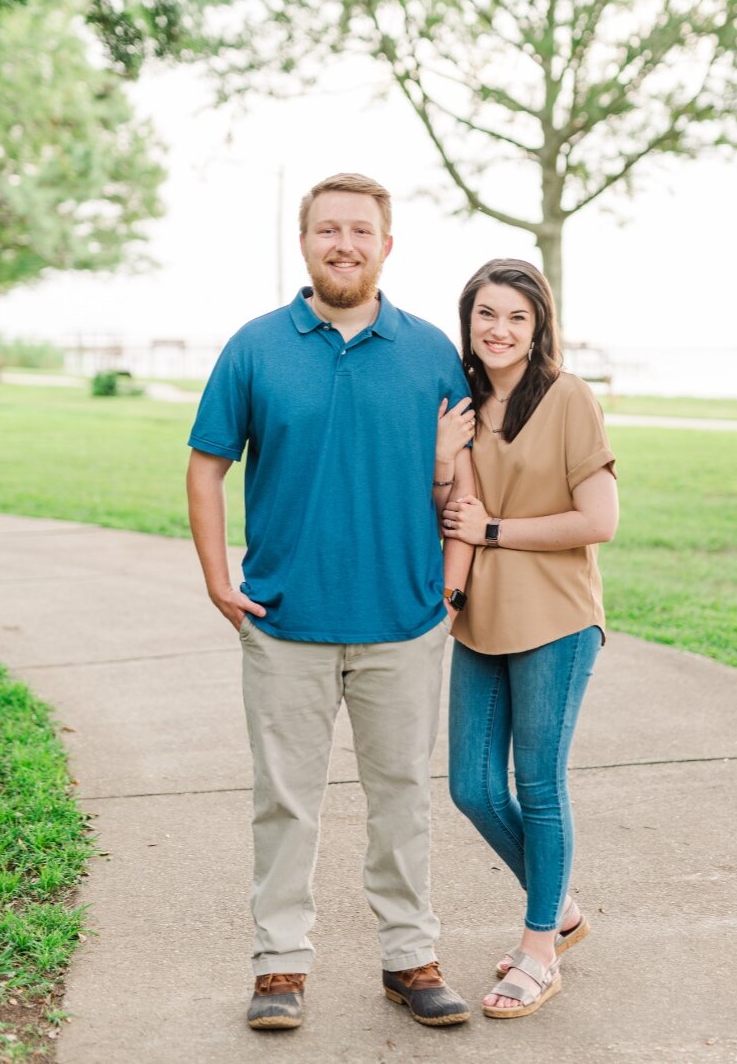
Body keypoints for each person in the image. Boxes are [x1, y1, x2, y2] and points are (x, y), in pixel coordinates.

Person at [186, 171, 477, 1030]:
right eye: (327, 230)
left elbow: (458, 486)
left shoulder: (430, 353)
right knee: (285, 804)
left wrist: (450, 589)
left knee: (403, 801)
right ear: (305, 241)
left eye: (360, 230)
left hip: (403, 624)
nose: (343, 243)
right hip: (287, 625)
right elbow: (207, 466)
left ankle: (409, 958)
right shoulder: (254, 347)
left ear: (387, 245)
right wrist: (216, 577)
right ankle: (279, 968)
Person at [436, 258, 618, 1019]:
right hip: (481, 618)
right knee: (472, 787)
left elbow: (598, 520)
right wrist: (445, 456)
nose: (498, 329)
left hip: (556, 618)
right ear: (468, 322)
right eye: (486, 314)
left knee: (538, 786)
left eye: (515, 316)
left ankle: (539, 947)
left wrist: (498, 530)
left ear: (538, 325)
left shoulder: (568, 399)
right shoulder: (461, 404)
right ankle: (562, 908)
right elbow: (449, 510)